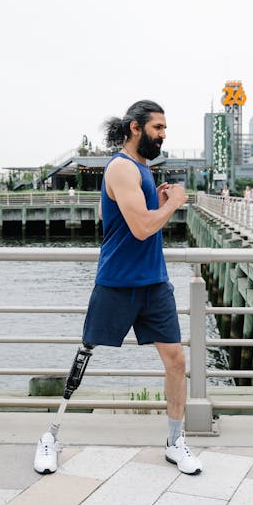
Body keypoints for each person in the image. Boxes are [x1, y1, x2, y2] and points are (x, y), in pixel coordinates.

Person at [82, 100, 202, 475]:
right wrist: (176, 203)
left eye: (165, 129)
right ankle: (52, 434)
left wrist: (161, 201)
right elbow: (141, 228)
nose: (164, 135)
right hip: (117, 282)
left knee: (176, 361)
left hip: (153, 282)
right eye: (158, 128)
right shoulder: (120, 167)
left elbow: (126, 217)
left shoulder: (144, 168)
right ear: (135, 127)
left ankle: (175, 441)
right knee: (84, 356)